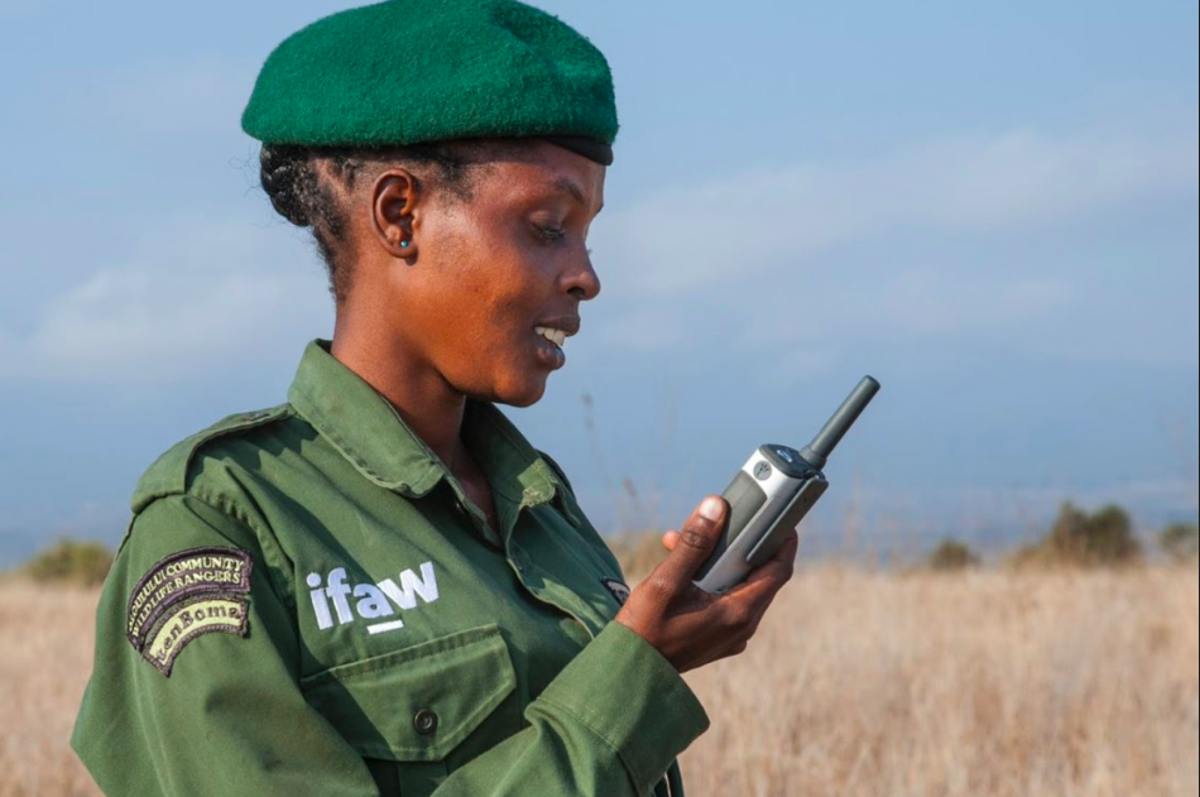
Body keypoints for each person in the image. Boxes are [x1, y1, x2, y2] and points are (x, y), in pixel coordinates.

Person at [70, 1, 799, 795]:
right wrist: (635, 676)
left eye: (588, 232)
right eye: (547, 226)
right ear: (399, 214)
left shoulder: (540, 509)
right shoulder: (221, 523)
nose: (586, 275)